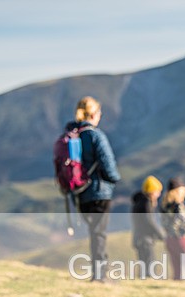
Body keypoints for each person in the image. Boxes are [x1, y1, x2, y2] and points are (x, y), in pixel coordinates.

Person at [64, 96, 121, 282]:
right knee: (99, 234)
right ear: (94, 114)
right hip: (99, 191)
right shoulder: (96, 136)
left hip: (80, 193)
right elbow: (107, 163)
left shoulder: (73, 136)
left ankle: (98, 273)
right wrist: (114, 179)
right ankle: (100, 275)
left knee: (94, 232)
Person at [131, 175, 166, 277]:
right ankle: (148, 280)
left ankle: (143, 280)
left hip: (139, 238)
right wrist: (161, 235)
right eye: (157, 191)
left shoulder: (138, 201)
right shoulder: (146, 203)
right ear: (152, 191)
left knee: (144, 263)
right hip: (145, 238)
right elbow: (149, 221)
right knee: (149, 263)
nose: (159, 194)